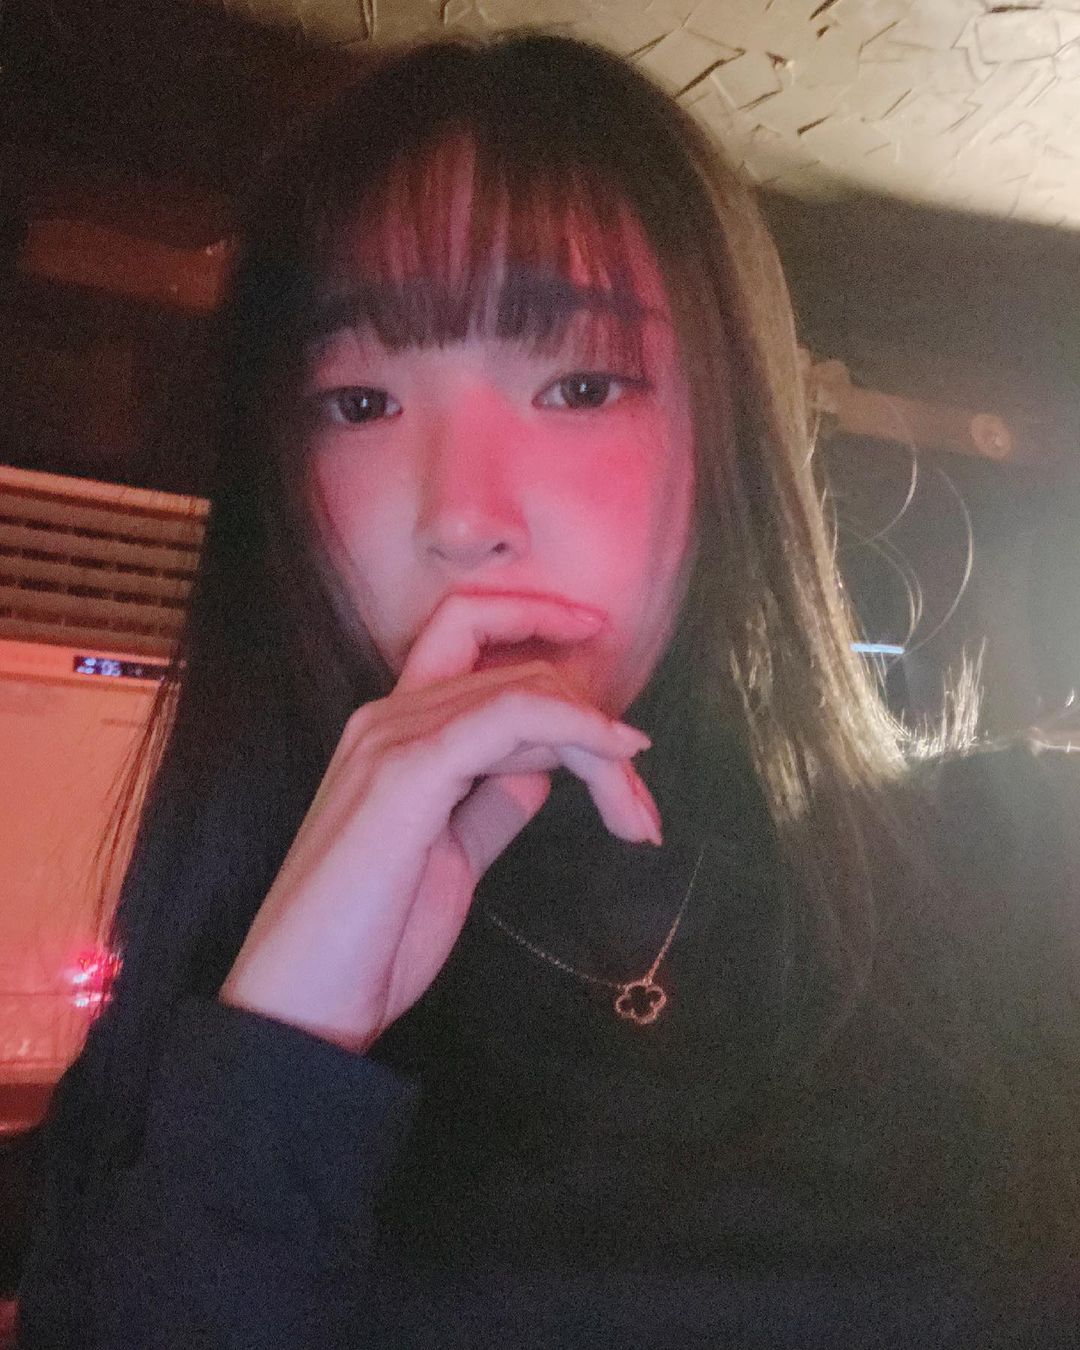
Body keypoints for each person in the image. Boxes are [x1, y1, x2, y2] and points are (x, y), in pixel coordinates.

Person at [15, 30, 1080, 1349]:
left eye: (579, 385)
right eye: (359, 403)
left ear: (730, 434)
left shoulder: (1023, 867)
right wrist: (282, 1038)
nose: (463, 518)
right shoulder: (209, 1003)